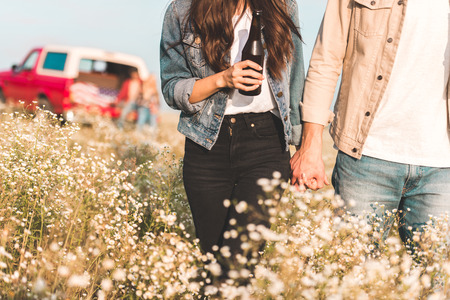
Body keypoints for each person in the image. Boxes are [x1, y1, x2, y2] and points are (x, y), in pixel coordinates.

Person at [160, 0, 304, 282]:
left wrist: (302, 148)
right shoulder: (183, 10)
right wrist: (222, 79)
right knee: (213, 264)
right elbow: (171, 87)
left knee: (240, 263)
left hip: (266, 141)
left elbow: (295, 77)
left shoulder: (282, 6)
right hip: (207, 144)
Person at [291, 0, 450, 244]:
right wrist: (310, 147)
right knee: (352, 274)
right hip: (365, 159)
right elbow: (326, 59)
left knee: (435, 281)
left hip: (441, 165)